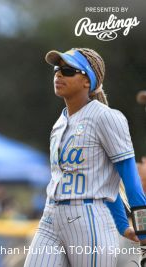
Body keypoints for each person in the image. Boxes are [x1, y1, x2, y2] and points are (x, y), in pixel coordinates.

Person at [24, 48, 146, 267]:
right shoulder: (59, 122)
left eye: (68, 70)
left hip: (89, 217)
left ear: (87, 81)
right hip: (51, 215)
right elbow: (102, 179)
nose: (59, 75)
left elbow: (127, 177)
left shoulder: (106, 117)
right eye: (57, 69)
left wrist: (142, 229)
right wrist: (121, 223)